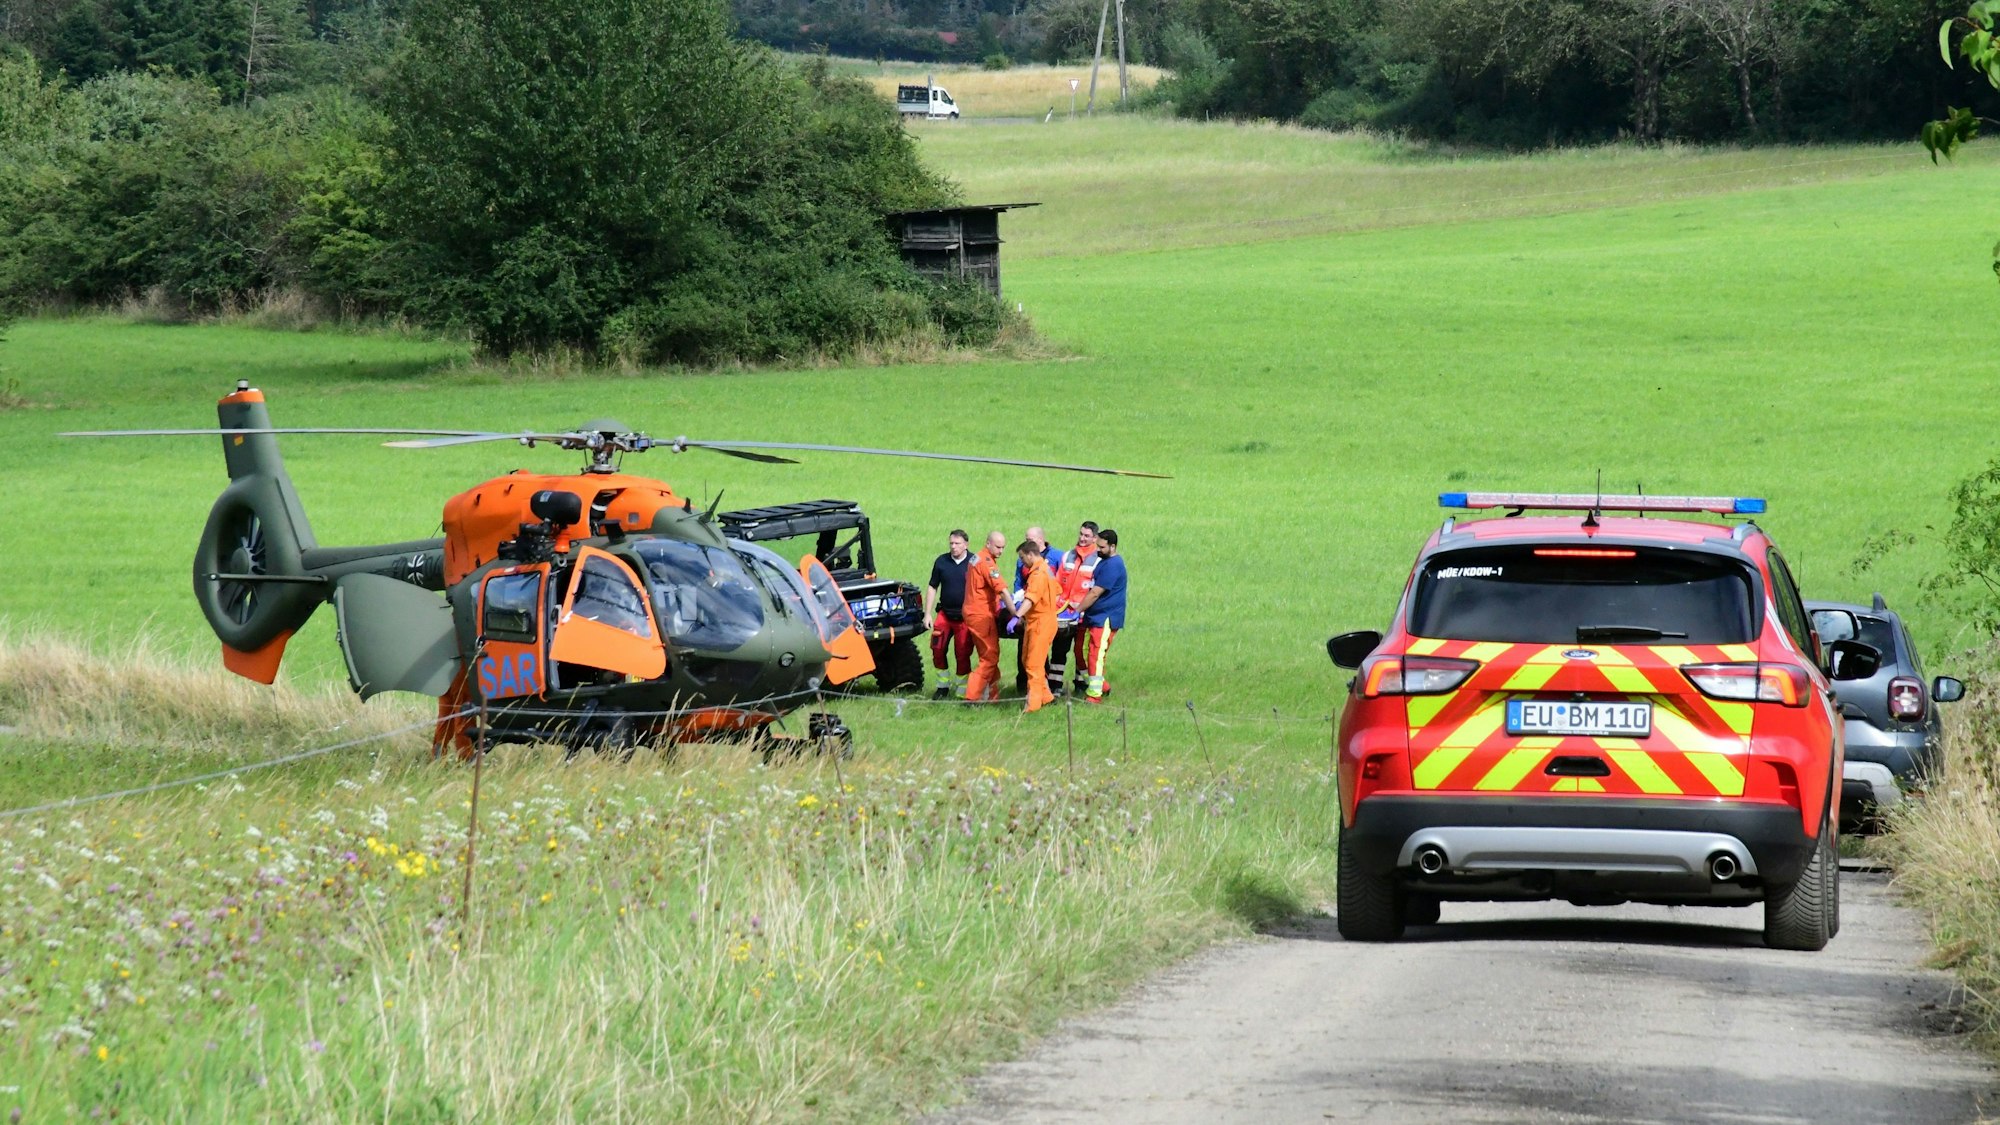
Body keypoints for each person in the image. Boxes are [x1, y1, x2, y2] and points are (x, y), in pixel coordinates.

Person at [1074, 528, 1125, 703]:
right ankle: (1102, 686)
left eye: (1102, 547)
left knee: (1096, 654)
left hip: (1105, 618)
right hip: (1096, 616)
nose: (1098, 550)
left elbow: (1095, 593)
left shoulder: (1113, 565)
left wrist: (1078, 610)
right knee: (1089, 652)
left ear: (1112, 546)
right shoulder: (1104, 561)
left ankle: (1094, 695)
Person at [1050, 521, 1100, 694]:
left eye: (1087, 536)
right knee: (1058, 651)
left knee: (1081, 652)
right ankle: (1054, 687)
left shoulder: (1098, 560)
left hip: (1084, 615)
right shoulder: (1068, 556)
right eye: (1081, 534)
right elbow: (1057, 583)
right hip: (1063, 614)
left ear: (1095, 538)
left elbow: (1096, 589)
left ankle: (1081, 686)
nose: (1082, 538)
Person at [1013, 539, 1063, 712]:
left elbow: (1031, 598)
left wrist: (1017, 616)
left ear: (1030, 554)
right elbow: (1057, 590)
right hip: (1040, 621)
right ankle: (1047, 697)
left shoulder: (1038, 575)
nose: (1021, 562)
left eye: (1022, 557)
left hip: (1040, 623)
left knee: (1033, 664)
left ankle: (1032, 706)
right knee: (1029, 660)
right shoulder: (1046, 569)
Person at [924, 529, 974, 699]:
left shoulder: (974, 563)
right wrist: (927, 614)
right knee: (937, 649)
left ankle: (962, 691)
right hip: (944, 615)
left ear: (966, 545)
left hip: (965, 618)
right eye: (951, 543)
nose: (953, 547)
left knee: (962, 653)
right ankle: (942, 687)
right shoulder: (941, 562)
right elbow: (932, 587)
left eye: (957, 544)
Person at [961, 531, 1009, 703]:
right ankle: (972, 697)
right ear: (988, 543)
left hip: (972, 612)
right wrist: (1015, 612)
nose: (1001, 551)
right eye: (998, 547)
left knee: (988, 655)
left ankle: (992, 695)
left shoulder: (975, 558)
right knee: (989, 656)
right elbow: (1001, 590)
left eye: (1003, 547)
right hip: (982, 615)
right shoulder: (987, 563)